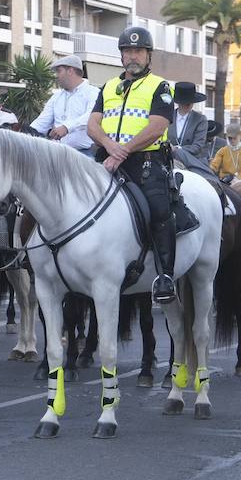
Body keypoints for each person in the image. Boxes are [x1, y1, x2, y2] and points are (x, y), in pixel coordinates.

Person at [87, 25, 179, 305]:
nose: (132, 56)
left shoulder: (160, 86)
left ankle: (165, 277)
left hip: (145, 163)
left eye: (138, 51)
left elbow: (157, 126)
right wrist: (109, 145)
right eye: (127, 51)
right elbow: (92, 124)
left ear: (148, 55)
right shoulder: (109, 87)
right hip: (107, 160)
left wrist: (122, 151)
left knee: (159, 212)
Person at [29, 54, 100, 155]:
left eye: (59, 71)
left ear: (70, 71)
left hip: (84, 154)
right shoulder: (56, 97)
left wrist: (67, 127)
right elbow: (41, 123)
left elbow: (91, 116)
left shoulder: (93, 92)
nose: (56, 75)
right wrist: (23, 134)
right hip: (57, 153)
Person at [169, 82, 211, 161]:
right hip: (168, 161)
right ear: (178, 102)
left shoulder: (200, 119)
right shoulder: (168, 116)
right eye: (185, 102)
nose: (188, 104)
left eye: (190, 102)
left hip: (191, 162)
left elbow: (198, 145)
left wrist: (177, 149)